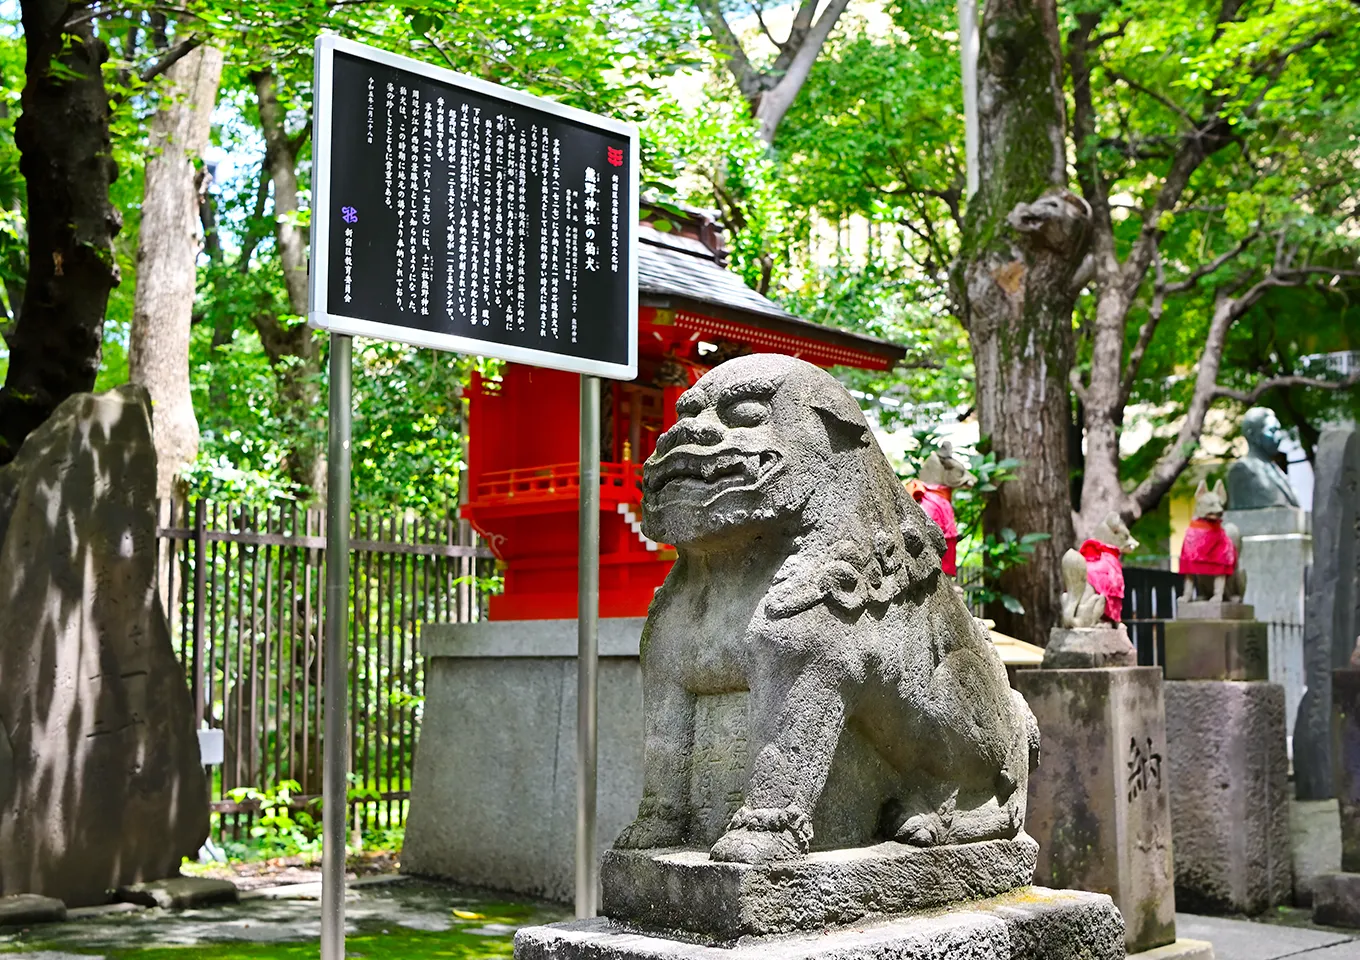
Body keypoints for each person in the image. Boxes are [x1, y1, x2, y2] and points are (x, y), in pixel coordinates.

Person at [1226, 407, 1299, 509]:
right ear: (1252, 434)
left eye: (1278, 430)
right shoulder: (1242, 469)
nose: (1279, 436)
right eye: (1272, 431)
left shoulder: (1275, 469)